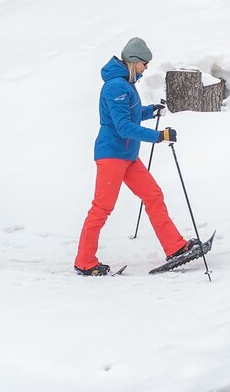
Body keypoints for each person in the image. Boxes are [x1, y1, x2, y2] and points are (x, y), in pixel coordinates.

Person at [74, 37, 204, 276]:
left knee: (153, 195)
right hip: (112, 155)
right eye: (145, 63)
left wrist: (149, 111)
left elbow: (130, 115)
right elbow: (123, 127)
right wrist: (159, 136)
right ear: (134, 62)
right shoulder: (116, 86)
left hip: (128, 156)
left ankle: (175, 247)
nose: (146, 68)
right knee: (102, 208)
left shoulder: (126, 84)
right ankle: (84, 262)